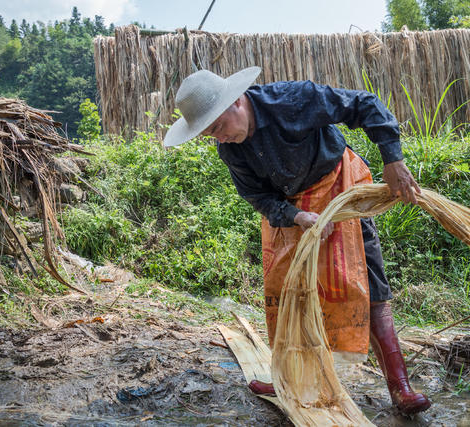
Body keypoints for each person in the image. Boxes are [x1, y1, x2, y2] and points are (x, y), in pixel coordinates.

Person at [163, 66, 431, 415]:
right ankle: (287, 377)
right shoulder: (231, 152)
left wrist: (393, 160)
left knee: (367, 280)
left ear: (237, 101)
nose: (219, 138)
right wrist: (296, 217)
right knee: (287, 290)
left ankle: (400, 388)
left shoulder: (293, 100)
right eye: (208, 134)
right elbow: (259, 198)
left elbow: (364, 104)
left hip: (339, 189)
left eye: (218, 127)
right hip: (293, 210)